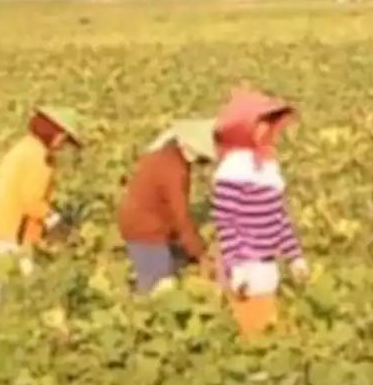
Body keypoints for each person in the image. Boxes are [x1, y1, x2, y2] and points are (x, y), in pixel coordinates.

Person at [210, 89, 309, 336]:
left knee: (269, 327)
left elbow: (279, 218)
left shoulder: (268, 168)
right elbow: (227, 224)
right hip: (244, 266)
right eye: (259, 124)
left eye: (268, 124)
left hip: (267, 263)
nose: (265, 130)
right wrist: (237, 267)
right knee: (252, 332)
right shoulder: (232, 173)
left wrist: (294, 257)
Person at [0, 106, 84, 303]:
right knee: (15, 290)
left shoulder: (26, 147)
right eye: (67, 143)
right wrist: (55, 222)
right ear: (58, 137)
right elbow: (31, 200)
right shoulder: (38, 157)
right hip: (6, 229)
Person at [117, 119, 218, 295]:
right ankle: (140, 283)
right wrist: (201, 256)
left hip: (140, 221)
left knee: (179, 259)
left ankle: (144, 270)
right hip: (145, 230)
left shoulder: (166, 153)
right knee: (162, 290)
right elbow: (181, 217)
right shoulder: (174, 169)